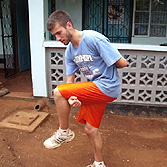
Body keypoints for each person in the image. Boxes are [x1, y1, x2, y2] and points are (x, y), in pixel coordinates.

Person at [43, 10, 128, 167]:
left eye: (59, 33)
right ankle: (99, 163)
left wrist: (106, 62)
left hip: (107, 86)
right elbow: (69, 85)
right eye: (55, 35)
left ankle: (64, 133)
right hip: (95, 88)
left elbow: (122, 63)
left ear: (69, 25)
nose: (58, 38)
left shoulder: (93, 38)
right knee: (90, 129)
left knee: (57, 92)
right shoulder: (70, 52)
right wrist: (72, 98)